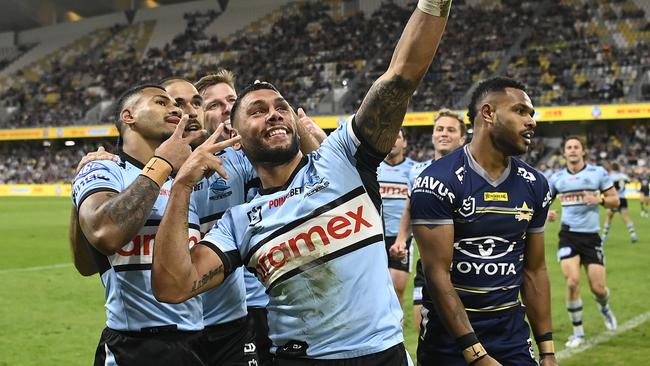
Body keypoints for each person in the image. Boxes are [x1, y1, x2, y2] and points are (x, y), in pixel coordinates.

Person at [151, 2, 451, 364]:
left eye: (281, 107)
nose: (274, 113)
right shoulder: (240, 222)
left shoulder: (341, 159)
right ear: (237, 135)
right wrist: (181, 186)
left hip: (381, 355)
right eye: (257, 111)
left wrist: (434, 4)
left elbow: (400, 77)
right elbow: (173, 285)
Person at [72, 84, 235, 365]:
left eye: (176, 104)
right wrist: (161, 164)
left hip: (196, 341)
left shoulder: (181, 182)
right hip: (136, 347)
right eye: (161, 102)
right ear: (128, 116)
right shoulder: (105, 167)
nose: (174, 108)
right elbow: (104, 235)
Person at [411, 77, 557, 365]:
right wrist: (475, 354)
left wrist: (548, 351)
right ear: (488, 113)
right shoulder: (437, 182)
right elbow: (437, 274)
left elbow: (535, 270)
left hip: (510, 335)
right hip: (449, 340)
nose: (531, 121)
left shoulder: (536, 185)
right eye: (520, 111)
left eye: (532, 114)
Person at [391, 109, 466, 333]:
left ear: (462, 139)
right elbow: (410, 208)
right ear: (433, 135)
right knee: (424, 331)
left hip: (464, 265)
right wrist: (402, 239)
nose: (444, 133)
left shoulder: (470, 172)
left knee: (465, 336)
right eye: (439, 129)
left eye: (451, 130)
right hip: (428, 266)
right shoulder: (417, 172)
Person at [547, 136, 620, 348]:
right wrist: (546, 214)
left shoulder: (597, 173)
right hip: (568, 236)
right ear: (564, 153)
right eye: (568, 147)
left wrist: (600, 200)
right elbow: (542, 203)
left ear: (583, 151)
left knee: (598, 288)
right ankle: (578, 333)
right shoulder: (557, 178)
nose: (572, 150)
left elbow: (615, 200)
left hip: (591, 237)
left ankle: (604, 307)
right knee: (572, 282)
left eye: (576, 147)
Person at [377, 128, 415, 304]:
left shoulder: (414, 170)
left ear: (405, 142)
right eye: (389, 135)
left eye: (397, 136)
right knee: (373, 292)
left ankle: (396, 330)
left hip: (402, 238)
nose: (392, 140)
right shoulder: (372, 168)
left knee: (396, 291)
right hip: (375, 238)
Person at [601, 162, 638, 243]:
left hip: (614, 198)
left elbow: (607, 187)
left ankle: (604, 236)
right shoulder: (623, 176)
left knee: (609, 216)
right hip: (623, 198)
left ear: (612, 168)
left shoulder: (610, 176)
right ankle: (633, 235)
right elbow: (629, 181)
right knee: (626, 217)